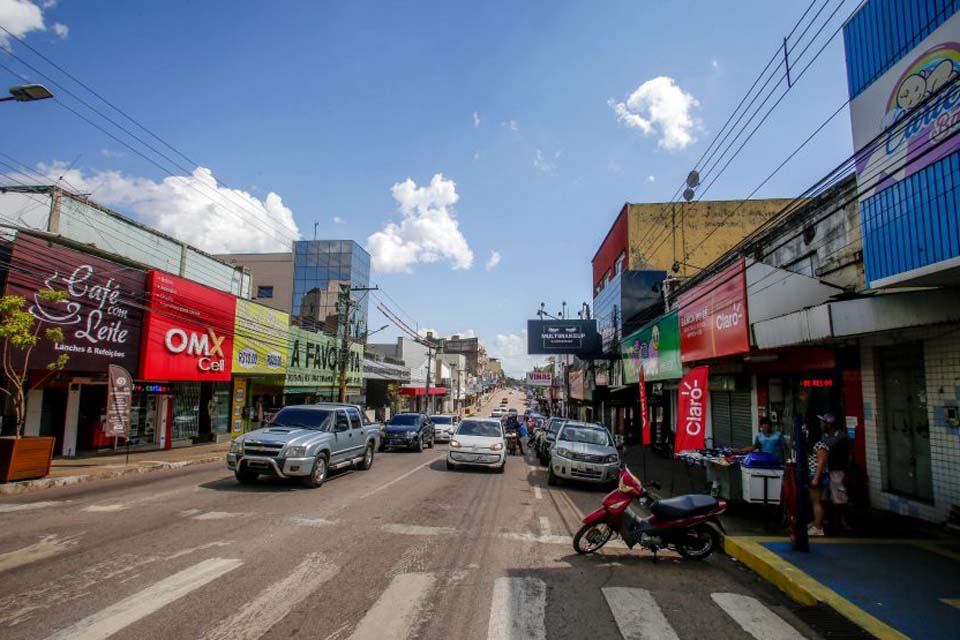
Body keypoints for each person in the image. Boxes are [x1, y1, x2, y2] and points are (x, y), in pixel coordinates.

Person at [820, 413, 852, 531]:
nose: (822, 424)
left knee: (840, 497)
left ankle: (843, 521)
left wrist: (846, 470)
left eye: (824, 422)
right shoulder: (825, 435)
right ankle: (824, 519)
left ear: (829, 424)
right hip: (826, 469)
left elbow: (830, 444)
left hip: (836, 469)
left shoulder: (839, 436)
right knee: (823, 497)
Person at [806, 421, 829, 537]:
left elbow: (821, 463)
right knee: (814, 501)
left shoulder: (821, 445)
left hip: (818, 475)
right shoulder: (814, 445)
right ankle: (816, 523)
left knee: (817, 502)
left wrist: (816, 478)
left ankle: (818, 527)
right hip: (814, 474)